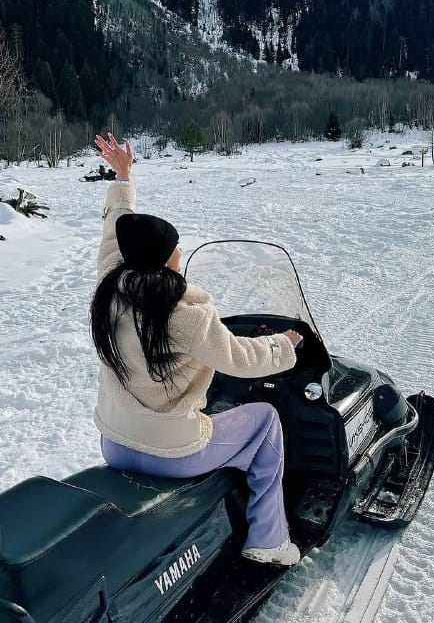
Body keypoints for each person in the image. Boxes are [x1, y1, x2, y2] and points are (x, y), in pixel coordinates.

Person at [90, 133, 303, 566]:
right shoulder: (183, 309)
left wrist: (123, 177)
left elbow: (116, 232)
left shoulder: (110, 286)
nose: (180, 253)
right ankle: (268, 539)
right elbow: (238, 360)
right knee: (265, 420)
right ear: (165, 261)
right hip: (171, 453)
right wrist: (283, 346)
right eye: (174, 249)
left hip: (114, 443)